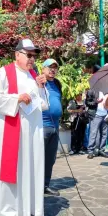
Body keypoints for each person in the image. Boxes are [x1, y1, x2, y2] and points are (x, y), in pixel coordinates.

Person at [0, 39, 49, 216]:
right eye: (28, 55)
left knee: (29, 168)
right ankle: (6, 212)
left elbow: (44, 104)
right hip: (10, 132)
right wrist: (17, 98)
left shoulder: (33, 75)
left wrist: (40, 87)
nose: (32, 59)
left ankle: (27, 210)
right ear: (17, 54)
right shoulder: (4, 73)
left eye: (34, 55)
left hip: (31, 134)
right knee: (10, 170)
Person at [41, 58, 62, 196]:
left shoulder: (57, 83)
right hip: (42, 125)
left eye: (55, 67)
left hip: (55, 126)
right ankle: (35, 186)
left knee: (50, 158)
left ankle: (45, 185)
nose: (52, 70)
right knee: (39, 158)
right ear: (43, 68)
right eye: (50, 67)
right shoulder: (39, 82)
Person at [87, 91, 108, 159]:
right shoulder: (93, 91)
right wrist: (97, 102)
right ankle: (90, 151)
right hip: (95, 115)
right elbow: (87, 102)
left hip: (106, 115)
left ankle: (101, 150)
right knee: (93, 133)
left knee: (104, 134)